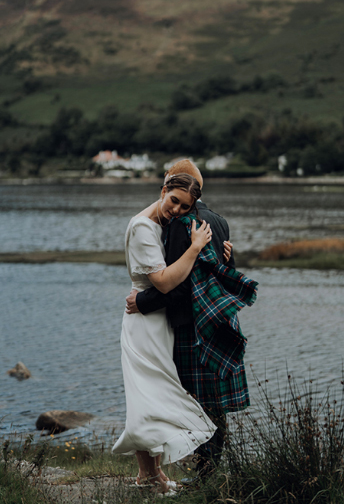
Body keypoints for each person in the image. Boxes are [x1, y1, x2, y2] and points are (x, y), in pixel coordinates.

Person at [125, 160, 246, 479]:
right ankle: (208, 473)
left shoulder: (182, 224)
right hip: (222, 322)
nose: (176, 207)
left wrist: (143, 300)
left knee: (196, 401)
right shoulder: (220, 221)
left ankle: (203, 474)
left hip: (196, 326)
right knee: (214, 405)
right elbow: (224, 275)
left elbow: (183, 285)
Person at [111, 173, 218, 495]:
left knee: (152, 394)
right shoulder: (144, 227)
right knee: (147, 395)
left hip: (158, 322)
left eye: (184, 207)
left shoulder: (160, 221)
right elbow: (164, 282)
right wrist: (197, 247)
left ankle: (151, 473)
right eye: (173, 201)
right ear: (163, 191)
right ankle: (149, 475)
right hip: (143, 323)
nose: (176, 210)